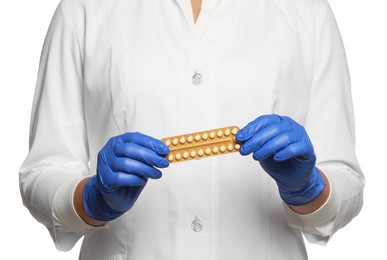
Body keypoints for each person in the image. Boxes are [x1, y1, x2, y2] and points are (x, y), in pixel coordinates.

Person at [19, 0, 365, 259]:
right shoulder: (85, 7)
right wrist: (90, 200)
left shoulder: (306, 9)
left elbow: (345, 178)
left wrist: (308, 189)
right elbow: (43, 171)